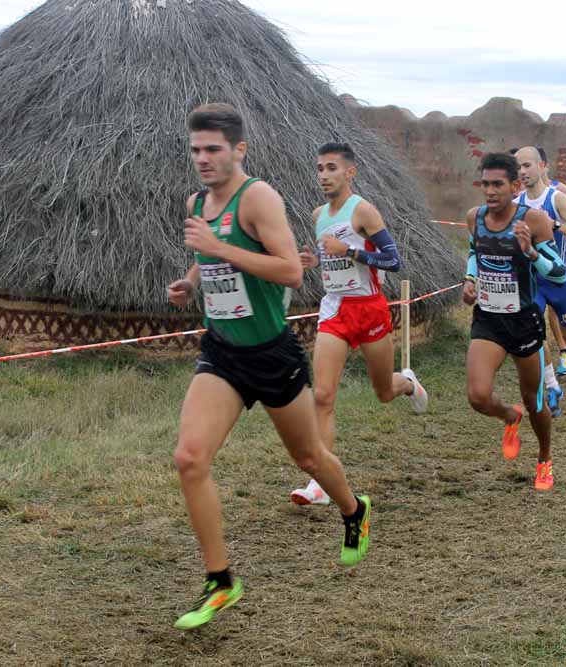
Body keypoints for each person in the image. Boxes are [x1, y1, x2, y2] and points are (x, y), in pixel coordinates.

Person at [166, 104, 371, 630]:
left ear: (238, 150)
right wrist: (192, 279)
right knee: (190, 458)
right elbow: (211, 254)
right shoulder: (197, 201)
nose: (203, 159)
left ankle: (353, 510)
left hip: (271, 353)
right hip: (223, 351)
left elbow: (288, 273)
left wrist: (218, 249)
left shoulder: (257, 197)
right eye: (196, 150)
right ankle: (221, 580)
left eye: (213, 149)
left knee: (309, 457)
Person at [290, 142, 427, 506]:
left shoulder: (362, 210)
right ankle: (318, 482)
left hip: (369, 309)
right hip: (335, 309)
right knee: (321, 396)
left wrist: (349, 251)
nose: (323, 175)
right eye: (319, 168)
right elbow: (328, 258)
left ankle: (408, 384)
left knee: (383, 392)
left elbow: (393, 260)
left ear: (350, 172)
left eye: (331, 168)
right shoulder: (319, 214)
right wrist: (313, 261)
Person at [462, 152, 566, 490]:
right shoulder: (474, 217)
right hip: (489, 321)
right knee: (478, 396)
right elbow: (474, 253)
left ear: (514, 186)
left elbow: (559, 271)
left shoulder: (533, 221)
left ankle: (544, 459)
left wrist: (532, 253)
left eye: (497, 184)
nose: (490, 191)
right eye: (485, 184)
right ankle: (509, 416)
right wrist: (470, 279)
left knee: (535, 401)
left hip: (524, 321)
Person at [524, 146, 566, 410]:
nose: (523, 172)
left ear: (542, 166)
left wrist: (555, 225)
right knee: (535, 336)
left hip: (560, 279)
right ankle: (552, 387)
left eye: (527, 165)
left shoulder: (558, 196)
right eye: (518, 167)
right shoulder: (517, 202)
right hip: (533, 280)